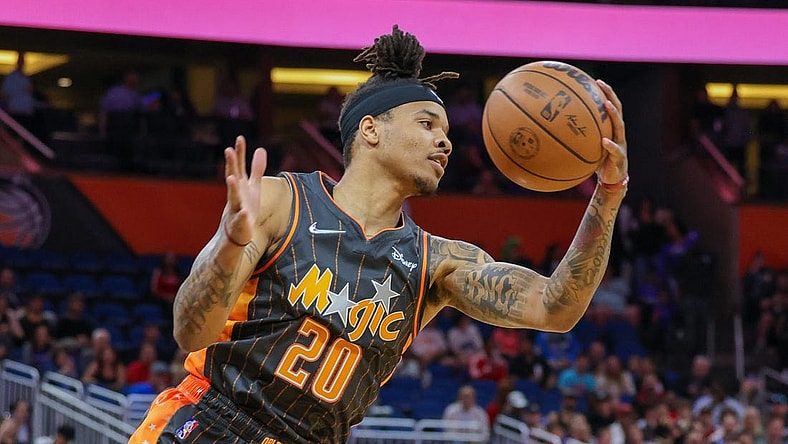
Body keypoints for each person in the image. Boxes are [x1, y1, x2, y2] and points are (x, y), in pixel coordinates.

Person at [130, 25, 629, 443]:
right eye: (428, 123)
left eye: (448, 134)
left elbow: (556, 308)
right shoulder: (282, 200)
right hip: (209, 422)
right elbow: (189, 333)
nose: (444, 142)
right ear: (371, 130)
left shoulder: (439, 263)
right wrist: (229, 245)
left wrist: (607, 195)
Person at [0, 52, 36, 131]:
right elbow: (4, 94)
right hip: (15, 111)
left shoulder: (26, 78)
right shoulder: (11, 77)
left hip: (25, 112)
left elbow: (29, 93)